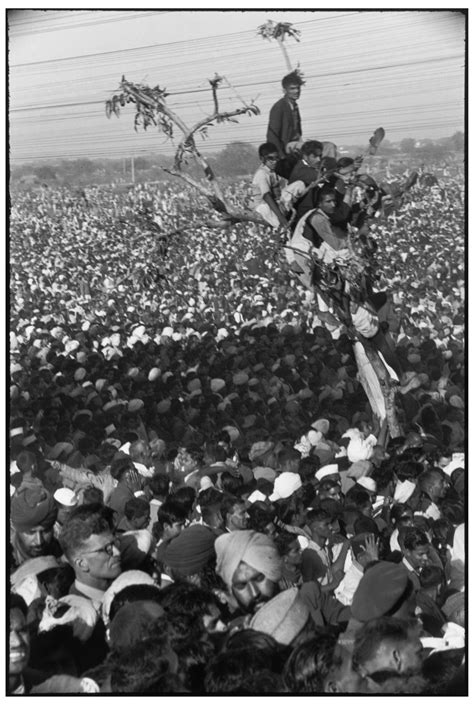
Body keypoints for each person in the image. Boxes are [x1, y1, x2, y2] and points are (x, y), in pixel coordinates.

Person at [59, 503, 122, 605]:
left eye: (115, 543)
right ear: (82, 563)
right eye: (107, 549)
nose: (117, 552)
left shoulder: (121, 590)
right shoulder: (77, 613)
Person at [10, 487, 61, 568]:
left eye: (46, 531)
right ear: (17, 529)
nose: (39, 541)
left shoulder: (61, 552)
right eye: (31, 533)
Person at [266, 70, 305, 159]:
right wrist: (280, 156)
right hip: (285, 147)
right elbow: (272, 135)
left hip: (296, 144)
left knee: (328, 147)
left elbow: (298, 132)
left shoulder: (295, 106)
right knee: (311, 149)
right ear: (284, 90)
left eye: (298, 88)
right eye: (292, 88)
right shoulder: (279, 107)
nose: (296, 91)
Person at [251, 143, 288, 229]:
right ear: (262, 159)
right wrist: (281, 217)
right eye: (270, 158)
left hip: (275, 204)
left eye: (276, 158)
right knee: (282, 226)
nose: (274, 161)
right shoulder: (262, 173)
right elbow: (266, 196)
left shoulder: (273, 172)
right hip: (264, 206)